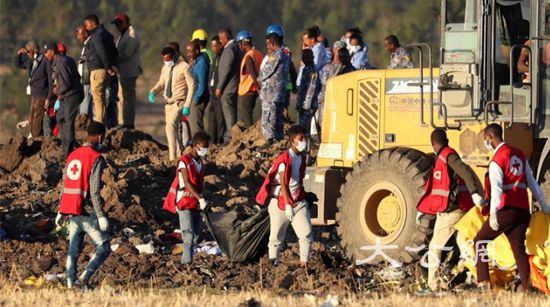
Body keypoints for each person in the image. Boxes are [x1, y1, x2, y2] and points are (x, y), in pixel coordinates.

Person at [474, 124, 550, 291]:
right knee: (518, 248)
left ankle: (483, 283)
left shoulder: (497, 160)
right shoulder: (520, 154)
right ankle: (528, 287)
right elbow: (533, 185)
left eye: (485, 139)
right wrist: (544, 206)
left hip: (506, 211)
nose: (486, 142)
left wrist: (493, 214)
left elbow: (497, 190)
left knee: (480, 240)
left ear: (490, 137)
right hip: (523, 212)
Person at [416, 129, 485, 293]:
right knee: (465, 247)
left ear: (433, 144)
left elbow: (465, 171)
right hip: (458, 209)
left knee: (434, 248)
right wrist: (423, 208)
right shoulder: (444, 157)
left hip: (450, 212)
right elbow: (436, 188)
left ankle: (433, 286)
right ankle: (480, 279)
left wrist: (474, 192)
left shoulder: (447, 157)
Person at [55, 121, 110, 289]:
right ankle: (83, 280)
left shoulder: (72, 155)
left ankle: (71, 284)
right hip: (87, 212)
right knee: (104, 246)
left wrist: (61, 209)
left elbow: (65, 185)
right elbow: (94, 190)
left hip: (71, 210)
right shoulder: (96, 158)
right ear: (100, 136)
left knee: (74, 250)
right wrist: (100, 216)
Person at [255, 125, 313, 268]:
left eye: (305, 138)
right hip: (280, 203)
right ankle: (273, 267)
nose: (304, 141)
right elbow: (284, 184)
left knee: (306, 234)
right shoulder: (285, 159)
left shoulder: (303, 157)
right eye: (301, 139)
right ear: (293, 141)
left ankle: (304, 265)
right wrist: (287, 205)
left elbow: (297, 181)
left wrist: (303, 196)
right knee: (276, 239)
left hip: (298, 202)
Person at [163, 131, 211, 264]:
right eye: (204, 147)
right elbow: (187, 182)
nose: (205, 150)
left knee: (196, 235)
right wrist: (200, 198)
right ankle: (186, 263)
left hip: (195, 203)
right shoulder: (184, 161)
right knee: (188, 234)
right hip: (185, 201)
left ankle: (186, 256)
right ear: (196, 145)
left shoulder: (200, 162)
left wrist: (202, 198)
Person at [149, 47, 195, 161]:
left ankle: (172, 158)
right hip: (168, 104)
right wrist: (153, 92)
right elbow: (161, 83)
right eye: (165, 60)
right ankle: (179, 156)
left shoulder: (184, 67)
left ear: (174, 56)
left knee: (170, 127)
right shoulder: (165, 68)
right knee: (174, 130)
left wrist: (187, 104)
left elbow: (192, 85)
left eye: (168, 59)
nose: (167, 62)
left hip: (179, 103)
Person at [45, 43, 84, 158]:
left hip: (72, 95)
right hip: (65, 96)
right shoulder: (59, 61)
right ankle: (67, 145)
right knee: (60, 117)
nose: (45, 54)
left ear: (52, 51)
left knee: (68, 122)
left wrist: (57, 91)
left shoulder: (61, 63)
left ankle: (67, 153)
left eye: (46, 52)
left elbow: (66, 84)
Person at [14, 40, 54, 138]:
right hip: (34, 94)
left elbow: (50, 80)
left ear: (35, 50)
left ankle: (35, 139)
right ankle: (36, 137)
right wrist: (19, 54)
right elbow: (18, 64)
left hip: (42, 94)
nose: (27, 54)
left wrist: (49, 97)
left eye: (29, 51)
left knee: (37, 119)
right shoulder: (31, 61)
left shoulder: (44, 61)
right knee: (32, 117)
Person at [84, 14, 118, 124]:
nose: (86, 27)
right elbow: (114, 52)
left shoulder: (97, 35)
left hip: (98, 70)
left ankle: (100, 124)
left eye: (87, 24)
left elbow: (101, 51)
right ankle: (103, 122)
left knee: (98, 99)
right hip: (105, 71)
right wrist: (111, 65)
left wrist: (108, 66)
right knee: (102, 99)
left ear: (93, 23)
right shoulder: (108, 34)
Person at [314, 44, 355, 135]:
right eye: (341, 56)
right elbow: (325, 85)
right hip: (327, 101)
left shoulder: (353, 71)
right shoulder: (329, 68)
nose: (343, 59)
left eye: (345, 56)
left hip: (344, 104)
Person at [112, 13, 142, 129]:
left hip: (129, 71)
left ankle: (128, 123)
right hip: (123, 71)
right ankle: (122, 121)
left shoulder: (132, 35)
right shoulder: (124, 33)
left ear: (125, 23)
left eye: (118, 24)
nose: (117, 27)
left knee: (128, 98)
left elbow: (126, 54)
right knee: (121, 97)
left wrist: (113, 61)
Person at [259, 33, 289, 145]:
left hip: (271, 92)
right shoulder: (285, 54)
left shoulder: (276, 55)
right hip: (280, 91)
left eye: (268, 44)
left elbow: (266, 71)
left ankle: (269, 140)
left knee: (268, 117)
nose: (267, 47)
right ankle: (278, 138)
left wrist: (259, 77)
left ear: (272, 43)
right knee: (277, 115)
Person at [216, 28, 243, 143]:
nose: (220, 42)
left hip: (228, 88)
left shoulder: (229, 49)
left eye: (221, 39)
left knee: (229, 114)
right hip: (233, 85)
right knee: (231, 111)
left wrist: (220, 86)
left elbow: (226, 69)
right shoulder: (237, 47)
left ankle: (231, 137)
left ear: (226, 38)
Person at [265, 24, 297, 123]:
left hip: (281, 86)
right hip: (278, 86)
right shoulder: (279, 50)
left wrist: (294, 84)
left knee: (279, 111)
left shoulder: (283, 51)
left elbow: (290, 68)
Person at [236, 31, 263, 128]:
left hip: (246, 92)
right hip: (254, 91)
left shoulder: (248, 57)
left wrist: (258, 88)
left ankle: (249, 139)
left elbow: (253, 74)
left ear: (243, 44)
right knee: (248, 116)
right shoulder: (258, 53)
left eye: (240, 44)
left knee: (246, 119)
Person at [186, 41, 210, 136]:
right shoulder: (197, 60)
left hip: (199, 97)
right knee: (194, 122)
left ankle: (200, 146)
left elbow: (202, 84)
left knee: (195, 123)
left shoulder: (201, 64)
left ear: (196, 51)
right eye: (187, 52)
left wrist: (196, 99)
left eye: (190, 52)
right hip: (196, 95)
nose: (188, 54)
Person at [206, 36, 226, 144]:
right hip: (212, 94)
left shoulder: (223, 57)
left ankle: (220, 141)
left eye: (215, 46)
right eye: (212, 46)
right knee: (212, 119)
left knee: (220, 119)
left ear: (220, 45)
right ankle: (211, 142)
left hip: (219, 94)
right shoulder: (215, 58)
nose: (213, 48)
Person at [296, 49, 320, 135]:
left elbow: (312, 88)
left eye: (307, 57)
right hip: (303, 103)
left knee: (304, 128)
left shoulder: (313, 71)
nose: (305, 59)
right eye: (304, 57)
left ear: (312, 57)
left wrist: (306, 105)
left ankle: (307, 146)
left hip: (308, 105)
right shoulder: (305, 69)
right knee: (302, 127)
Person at [76, 25, 93, 119]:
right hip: (84, 80)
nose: (78, 37)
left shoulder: (90, 44)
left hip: (88, 80)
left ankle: (85, 123)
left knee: (86, 105)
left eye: (79, 34)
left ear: (85, 33)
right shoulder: (86, 45)